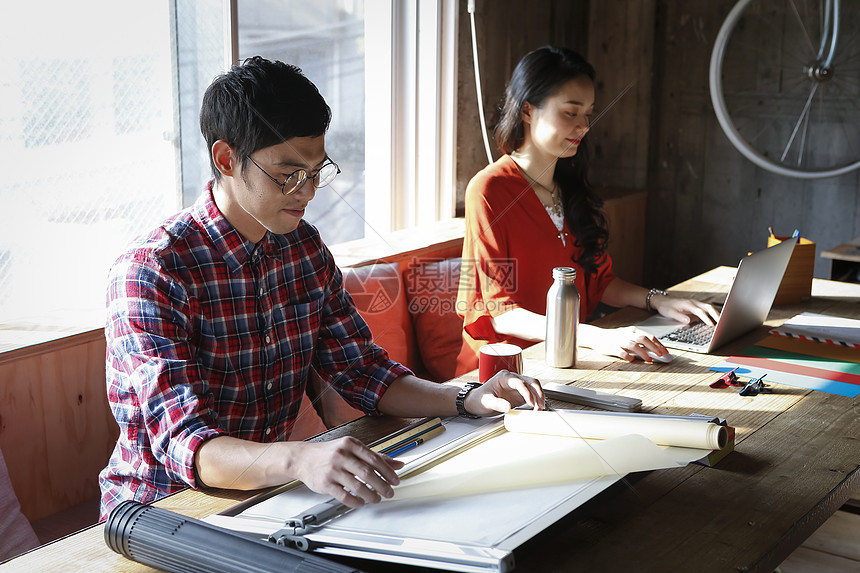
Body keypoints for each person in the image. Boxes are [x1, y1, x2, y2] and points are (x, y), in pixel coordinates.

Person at [99, 57, 544, 521]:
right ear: (227, 159)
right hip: (160, 511)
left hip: (272, 495)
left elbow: (364, 372)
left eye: (317, 171)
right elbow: (188, 445)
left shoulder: (302, 246)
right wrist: (301, 457)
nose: (307, 191)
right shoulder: (153, 270)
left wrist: (469, 398)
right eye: (288, 174)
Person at [456, 46, 719, 374]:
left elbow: (598, 280)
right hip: (506, 373)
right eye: (570, 112)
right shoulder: (489, 190)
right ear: (527, 110)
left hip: (571, 359)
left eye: (588, 114)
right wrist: (596, 337)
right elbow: (500, 311)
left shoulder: (569, 186)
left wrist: (660, 299)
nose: (584, 126)